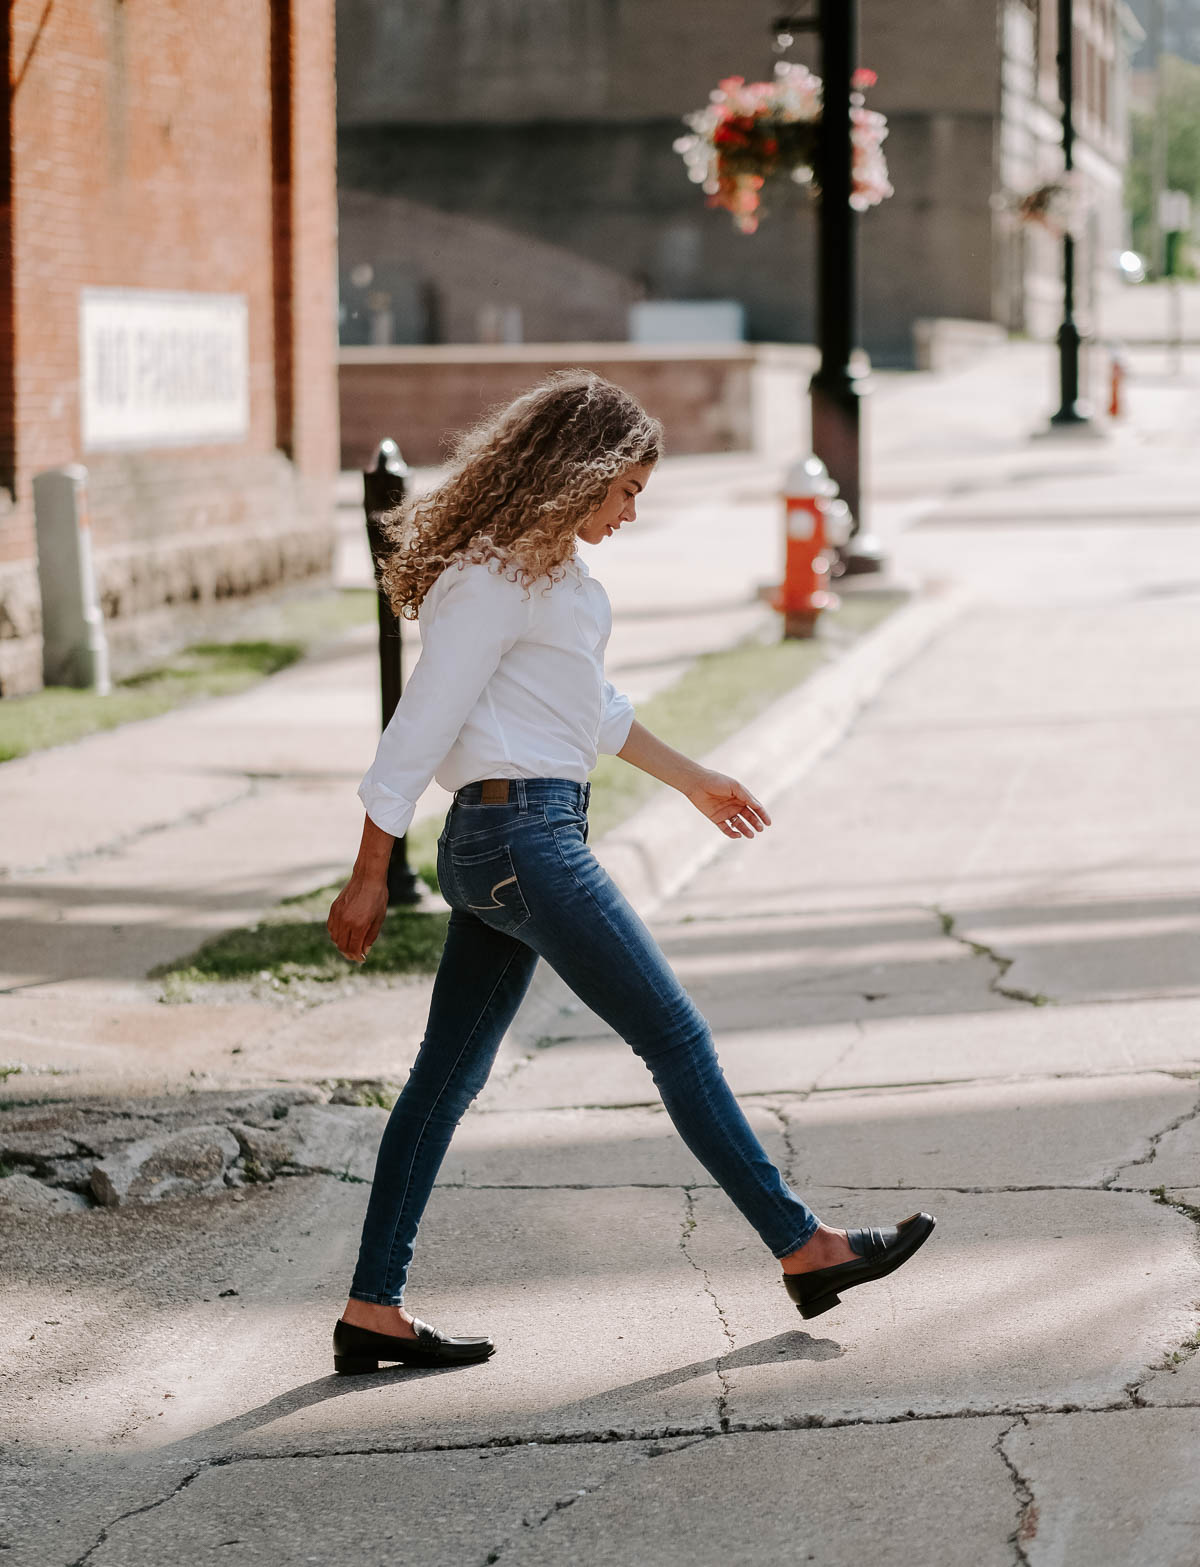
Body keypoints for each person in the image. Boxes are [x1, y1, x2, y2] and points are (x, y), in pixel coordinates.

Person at [325, 372, 934, 1376]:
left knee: (444, 1079)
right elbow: (420, 722)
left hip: (517, 838)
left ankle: (371, 1309)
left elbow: (592, 709)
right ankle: (804, 1245)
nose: (631, 510)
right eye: (625, 490)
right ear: (579, 474)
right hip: (521, 840)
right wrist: (366, 870)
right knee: (676, 1039)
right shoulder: (491, 579)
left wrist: (696, 780)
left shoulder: (552, 579)